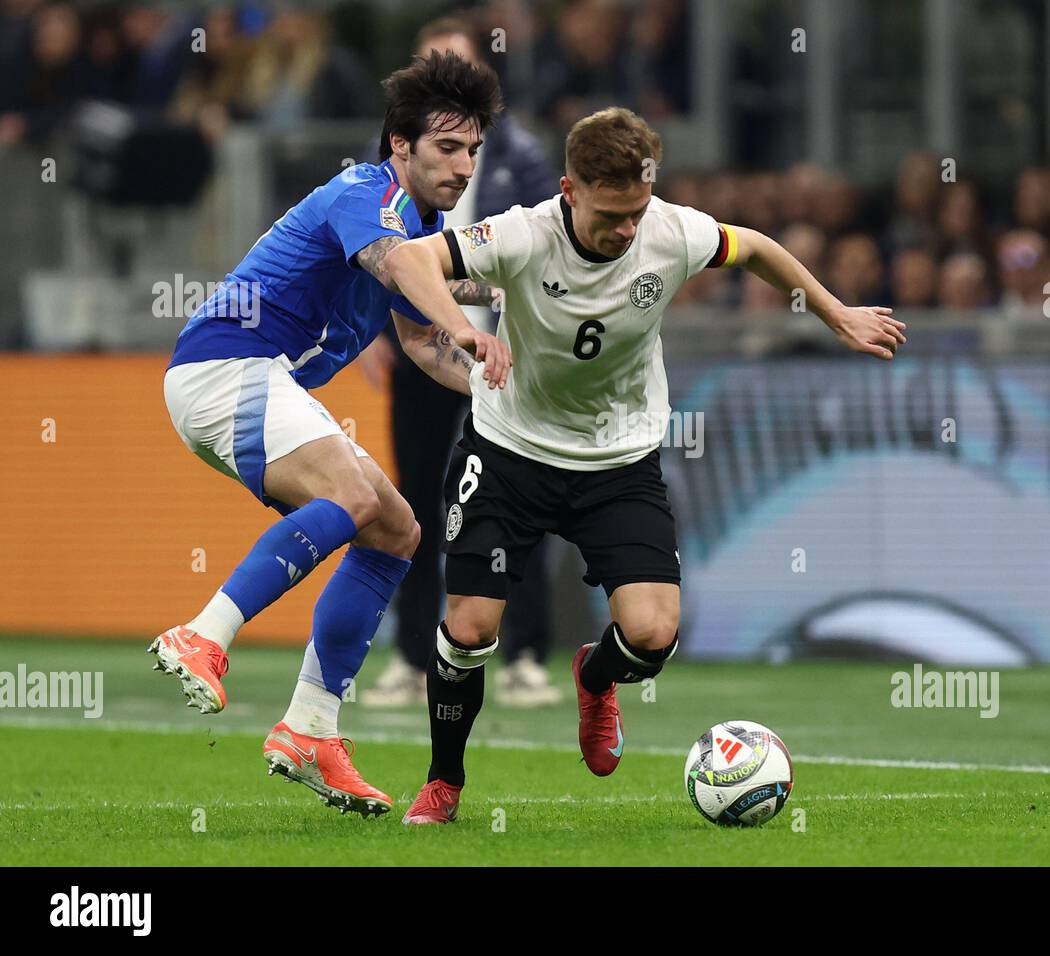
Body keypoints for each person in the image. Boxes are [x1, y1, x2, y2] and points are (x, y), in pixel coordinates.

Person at [399, 107, 906, 824]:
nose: (629, 229)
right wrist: (459, 329)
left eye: (637, 209)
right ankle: (444, 780)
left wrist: (836, 312)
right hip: (509, 450)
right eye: (612, 213)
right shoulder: (522, 232)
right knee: (473, 626)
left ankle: (594, 677)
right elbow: (414, 259)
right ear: (570, 191)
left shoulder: (670, 230)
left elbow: (756, 246)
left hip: (617, 458)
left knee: (653, 635)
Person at [152, 52, 508, 817]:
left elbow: (419, 345)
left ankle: (312, 726)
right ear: (400, 146)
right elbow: (405, 274)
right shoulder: (364, 192)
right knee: (352, 494)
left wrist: (501, 389)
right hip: (227, 367)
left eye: (473, 150)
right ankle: (202, 634)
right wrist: (471, 321)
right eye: (447, 147)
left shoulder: (424, 227)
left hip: (251, 383)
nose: (462, 164)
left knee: (396, 529)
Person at [360, 18, 561, 710]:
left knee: (515, 505)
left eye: (456, 65)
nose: (460, 161)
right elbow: (387, 262)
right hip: (431, 353)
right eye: (430, 65)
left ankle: (526, 655)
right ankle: (412, 656)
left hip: (502, 356)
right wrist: (393, 335)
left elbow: (549, 250)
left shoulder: (519, 156)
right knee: (411, 502)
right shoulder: (386, 173)